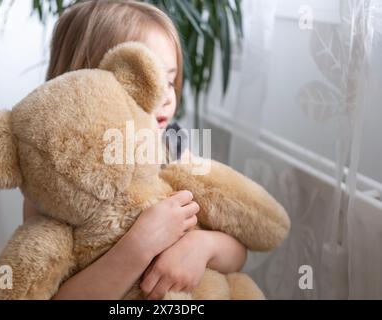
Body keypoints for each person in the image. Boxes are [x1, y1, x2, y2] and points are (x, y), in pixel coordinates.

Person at [23, 0, 247, 300]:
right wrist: (140, 246)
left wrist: (202, 248)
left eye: (169, 80)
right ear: (81, 85)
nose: (167, 97)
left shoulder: (172, 147)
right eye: (145, 82)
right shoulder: (54, 183)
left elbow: (239, 251)